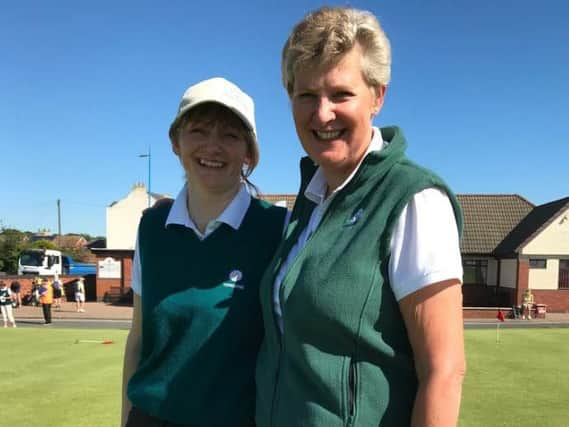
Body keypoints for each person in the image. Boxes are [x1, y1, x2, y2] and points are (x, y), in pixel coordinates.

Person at [255, 7, 465, 427]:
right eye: (306, 96)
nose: (322, 114)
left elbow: (444, 372)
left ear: (377, 96)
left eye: (340, 94)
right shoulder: (309, 202)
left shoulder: (413, 199)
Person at [121, 77, 287, 427]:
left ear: (249, 152)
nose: (212, 147)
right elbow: (138, 339)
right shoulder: (151, 227)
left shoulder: (279, 229)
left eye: (229, 135)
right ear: (176, 142)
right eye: (198, 131)